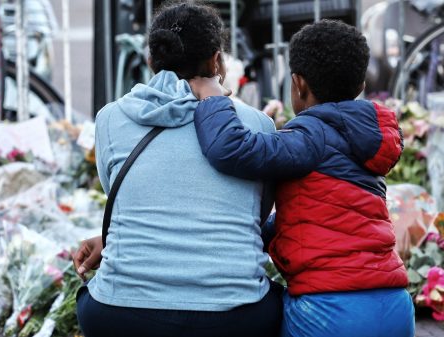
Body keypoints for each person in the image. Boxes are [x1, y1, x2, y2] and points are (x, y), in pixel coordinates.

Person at [189, 20, 415, 337]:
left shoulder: (309, 136)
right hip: (394, 304)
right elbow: (325, 212)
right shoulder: (369, 141)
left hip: (330, 309)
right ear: (361, 85)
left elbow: (231, 148)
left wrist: (213, 98)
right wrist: (256, 232)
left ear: (298, 85)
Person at [73, 2, 283, 337]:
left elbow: (125, 198)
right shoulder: (258, 124)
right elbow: (255, 216)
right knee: (275, 305)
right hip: (233, 319)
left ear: (150, 61)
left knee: (87, 299)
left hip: (120, 316)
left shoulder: (110, 119)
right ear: (217, 61)